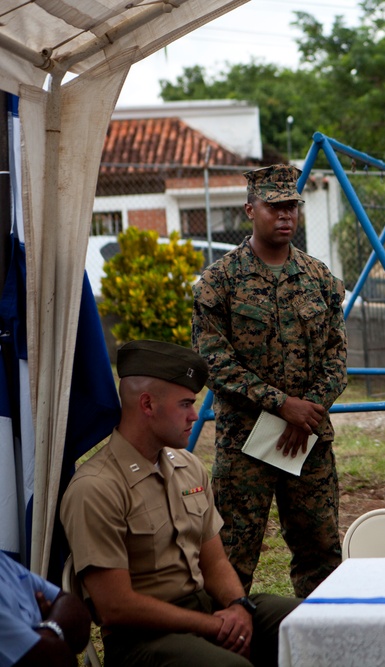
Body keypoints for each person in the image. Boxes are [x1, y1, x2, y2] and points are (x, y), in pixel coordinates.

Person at [60, 340, 300, 667]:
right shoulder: (97, 488)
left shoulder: (188, 467)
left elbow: (214, 564)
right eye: (185, 404)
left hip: (205, 612)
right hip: (142, 640)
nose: (194, 415)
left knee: (310, 623)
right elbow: (115, 607)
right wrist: (213, 625)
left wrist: (239, 607)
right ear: (147, 405)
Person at [191, 164, 347, 597]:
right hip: (245, 445)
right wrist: (283, 405)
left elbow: (337, 358)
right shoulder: (218, 283)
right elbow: (214, 362)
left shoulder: (320, 280)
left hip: (308, 441)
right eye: (274, 206)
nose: (285, 216)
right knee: (231, 556)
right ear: (249, 210)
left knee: (320, 555)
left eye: (291, 206)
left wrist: (306, 411)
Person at [0, 552, 90, 667]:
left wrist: (47, 631)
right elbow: (56, 659)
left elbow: (76, 611)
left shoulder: (4, 562)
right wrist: (55, 630)